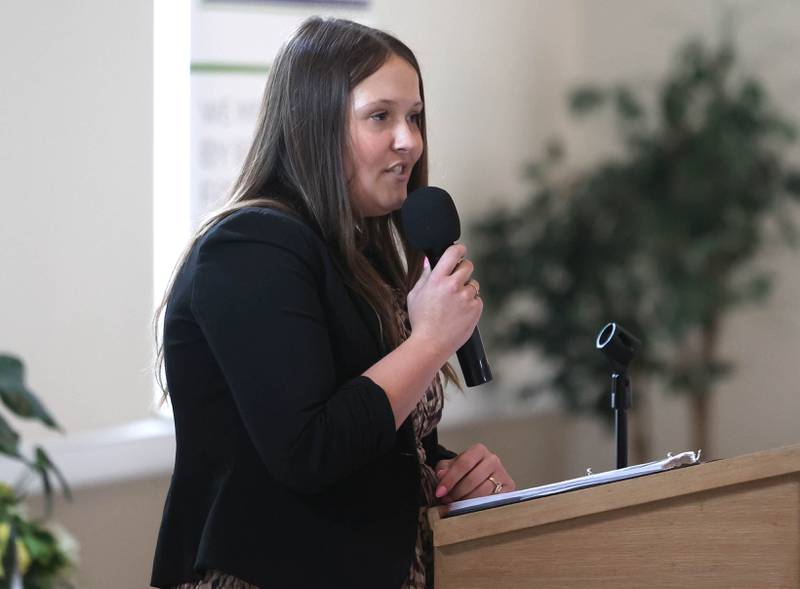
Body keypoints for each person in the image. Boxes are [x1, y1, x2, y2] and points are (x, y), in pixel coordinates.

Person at [150, 16, 515, 589]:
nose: (409, 141)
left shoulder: (358, 254)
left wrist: (445, 470)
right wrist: (428, 342)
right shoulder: (251, 247)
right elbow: (309, 450)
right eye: (380, 117)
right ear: (313, 125)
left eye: (414, 116)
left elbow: (371, 436)